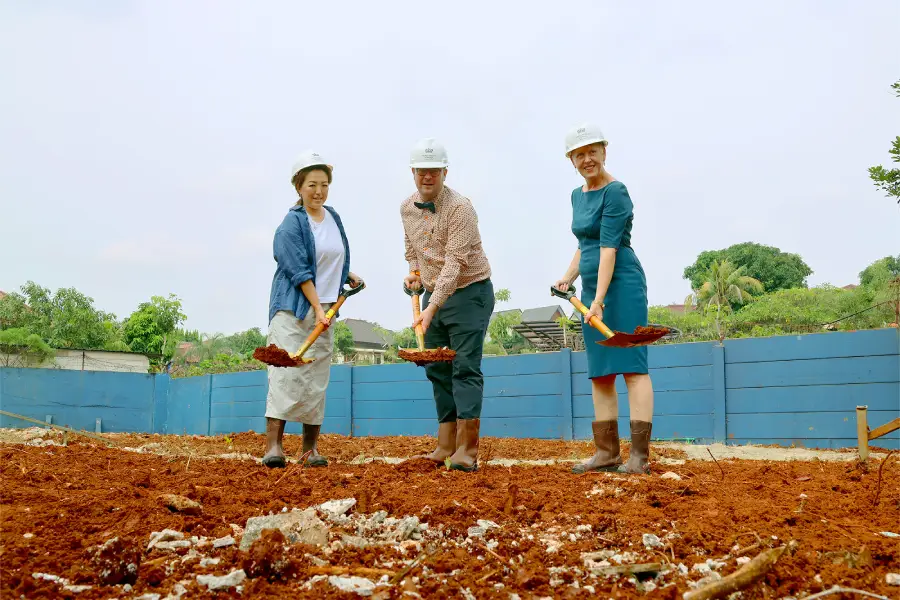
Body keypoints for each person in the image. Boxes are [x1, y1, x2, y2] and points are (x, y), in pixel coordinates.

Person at [554, 124, 655, 475]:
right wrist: (567, 278)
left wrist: (598, 300)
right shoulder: (576, 195)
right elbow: (586, 246)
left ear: (604, 152)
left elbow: (609, 247)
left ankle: (639, 457)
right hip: (592, 288)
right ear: (571, 160)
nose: (587, 159)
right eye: (579, 154)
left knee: (632, 366)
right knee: (600, 372)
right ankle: (607, 453)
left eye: (592, 151)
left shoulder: (617, 192)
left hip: (622, 284)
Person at [400, 137, 495, 472]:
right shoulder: (406, 207)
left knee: (464, 367)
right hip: (433, 295)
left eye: (434, 171)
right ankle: (445, 445)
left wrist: (431, 308)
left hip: (470, 293)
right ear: (413, 172)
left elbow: (454, 265)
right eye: (422, 171)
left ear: (444, 172)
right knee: (437, 367)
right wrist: (414, 272)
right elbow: (412, 248)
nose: (428, 177)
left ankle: (467, 451)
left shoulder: (460, 208)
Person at [263, 150, 361, 468]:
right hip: (293, 311)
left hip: (326, 308)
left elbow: (330, 257)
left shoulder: (333, 217)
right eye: (311, 185)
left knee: (316, 377)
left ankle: (309, 450)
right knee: (286, 376)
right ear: (299, 187)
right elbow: (300, 270)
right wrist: (317, 307)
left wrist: (346, 274)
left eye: (323, 184)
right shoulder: (290, 225)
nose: (318, 191)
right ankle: (274, 448)